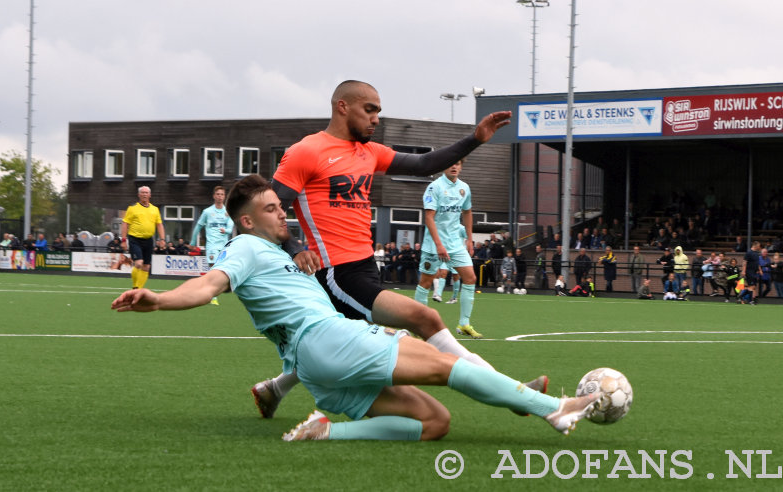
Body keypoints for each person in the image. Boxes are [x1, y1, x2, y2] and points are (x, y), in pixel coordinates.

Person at [110, 175, 599, 440]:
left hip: (316, 368)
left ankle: (325, 433)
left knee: (435, 423)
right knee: (448, 367)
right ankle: (553, 409)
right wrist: (158, 299)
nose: (282, 212)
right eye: (271, 209)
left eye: (281, 206)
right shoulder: (245, 247)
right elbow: (208, 285)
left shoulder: (276, 255)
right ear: (246, 220)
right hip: (326, 343)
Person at [253, 80, 515, 417]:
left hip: (365, 266)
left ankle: (274, 388)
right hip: (335, 273)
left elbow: (423, 165)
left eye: (378, 111)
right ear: (342, 107)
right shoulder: (306, 151)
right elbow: (270, 212)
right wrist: (295, 247)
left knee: (336, 343)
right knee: (423, 317)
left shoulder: (369, 152)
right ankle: (508, 389)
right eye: (370, 109)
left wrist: (474, 140)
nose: (376, 118)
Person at [415, 160, 481, 334]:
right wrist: (438, 245)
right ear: (444, 166)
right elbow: (429, 217)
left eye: (458, 164)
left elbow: (467, 212)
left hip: (455, 244)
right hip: (433, 245)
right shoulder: (434, 187)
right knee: (426, 282)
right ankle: (417, 324)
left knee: (470, 278)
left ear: (461, 166)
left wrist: (469, 239)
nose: (454, 166)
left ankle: (464, 324)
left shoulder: (464, 188)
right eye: (451, 163)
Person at [191, 185, 235, 305]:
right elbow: (198, 226)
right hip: (211, 245)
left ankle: (212, 290)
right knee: (213, 267)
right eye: (218, 194)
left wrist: (226, 230)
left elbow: (231, 226)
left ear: (224, 196)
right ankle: (212, 295)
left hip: (224, 245)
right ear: (214, 196)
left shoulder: (227, 212)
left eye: (222, 194)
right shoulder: (207, 212)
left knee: (221, 269)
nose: (220, 196)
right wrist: (193, 242)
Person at [120, 186, 165, 289]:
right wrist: (123, 240)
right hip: (135, 239)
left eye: (146, 193)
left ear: (150, 195)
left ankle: (138, 289)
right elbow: (125, 223)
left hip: (148, 240)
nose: (144, 194)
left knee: (146, 267)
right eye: (142, 192)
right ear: (139, 195)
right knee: (139, 263)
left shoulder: (155, 209)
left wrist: (162, 239)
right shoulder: (132, 208)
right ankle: (135, 287)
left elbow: (159, 224)